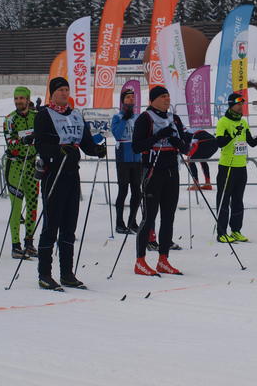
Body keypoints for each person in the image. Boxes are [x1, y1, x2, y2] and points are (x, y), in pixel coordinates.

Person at [34, 77, 106, 290]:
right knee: (51, 225)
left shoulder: (76, 115)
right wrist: (57, 150)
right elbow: (40, 144)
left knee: (69, 225)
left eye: (67, 89)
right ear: (52, 93)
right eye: (60, 90)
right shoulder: (44, 115)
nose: (64, 93)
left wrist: (96, 150)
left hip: (72, 174)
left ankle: (67, 273)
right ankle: (44, 274)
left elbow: (86, 143)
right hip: (53, 174)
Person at [132, 86, 189, 276]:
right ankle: (140, 260)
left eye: (168, 96)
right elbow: (136, 146)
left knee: (168, 216)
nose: (167, 99)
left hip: (172, 171)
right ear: (153, 99)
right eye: (163, 96)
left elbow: (185, 147)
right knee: (149, 217)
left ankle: (163, 259)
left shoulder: (174, 118)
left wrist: (176, 142)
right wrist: (158, 136)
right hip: (152, 171)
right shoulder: (145, 118)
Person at [214, 92, 257, 243]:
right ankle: (221, 233)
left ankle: (236, 230)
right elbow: (219, 142)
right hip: (227, 166)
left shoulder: (243, 122)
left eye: (242, 104)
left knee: (238, 200)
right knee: (224, 200)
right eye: (238, 104)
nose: (241, 107)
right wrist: (232, 135)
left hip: (241, 167)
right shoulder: (223, 122)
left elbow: (251, 142)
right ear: (231, 105)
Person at [3, 86, 39, 259]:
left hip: (31, 165)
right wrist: (24, 140)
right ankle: (15, 245)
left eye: (21, 98)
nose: (18, 101)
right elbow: (10, 142)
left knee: (33, 204)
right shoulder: (10, 119)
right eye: (16, 98)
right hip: (15, 166)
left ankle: (29, 242)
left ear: (28, 99)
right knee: (17, 207)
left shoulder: (36, 117)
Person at [111, 89, 141, 235]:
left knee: (137, 191)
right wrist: (124, 119)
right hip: (123, 157)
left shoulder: (138, 117)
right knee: (123, 191)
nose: (131, 100)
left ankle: (132, 221)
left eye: (132, 97)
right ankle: (119, 223)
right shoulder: (117, 117)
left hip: (137, 158)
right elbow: (117, 135)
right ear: (123, 101)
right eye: (128, 97)